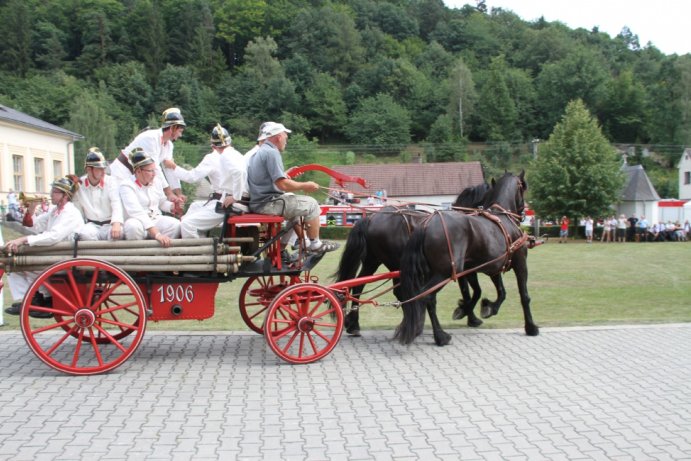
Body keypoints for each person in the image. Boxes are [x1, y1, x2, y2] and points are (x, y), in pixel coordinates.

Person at [246, 122, 339, 254]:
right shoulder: (272, 152)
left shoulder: (261, 152)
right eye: (285, 137)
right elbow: (282, 184)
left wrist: (286, 174)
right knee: (312, 204)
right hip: (268, 204)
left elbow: (270, 180)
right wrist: (305, 185)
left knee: (295, 211)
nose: (286, 141)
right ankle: (315, 245)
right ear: (278, 137)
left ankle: (294, 245)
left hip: (260, 202)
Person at [3, 175, 84, 317]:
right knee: (13, 264)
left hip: (64, 257)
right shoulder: (55, 211)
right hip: (55, 254)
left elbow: (53, 236)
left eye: (55, 191)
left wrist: (23, 240)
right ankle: (29, 299)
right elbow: (34, 226)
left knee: (24, 264)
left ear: (65, 196)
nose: (51, 194)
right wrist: (31, 209)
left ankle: (44, 298)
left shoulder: (70, 213)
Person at [173, 124, 248, 239]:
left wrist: (235, 197)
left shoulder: (224, 156)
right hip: (234, 200)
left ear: (213, 146)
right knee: (193, 208)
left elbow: (239, 172)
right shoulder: (236, 154)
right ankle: (203, 246)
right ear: (229, 142)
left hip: (232, 203)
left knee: (187, 224)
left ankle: (198, 255)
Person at [110, 107, 186, 213]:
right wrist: (168, 193)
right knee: (120, 205)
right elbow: (155, 168)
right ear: (172, 128)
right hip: (122, 171)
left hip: (140, 175)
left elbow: (169, 170)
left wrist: (178, 194)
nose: (180, 135)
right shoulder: (151, 137)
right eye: (180, 131)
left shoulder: (169, 145)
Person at [119, 148, 180, 247]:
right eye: (150, 171)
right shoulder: (126, 186)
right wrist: (157, 234)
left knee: (175, 225)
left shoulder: (156, 181)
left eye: (154, 170)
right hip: (137, 222)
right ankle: (137, 258)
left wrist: (173, 206)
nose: (154, 174)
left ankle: (160, 257)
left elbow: (161, 203)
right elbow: (136, 212)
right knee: (132, 226)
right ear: (138, 171)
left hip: (155, 219)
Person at [73, 147, 124, 241]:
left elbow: (116, 203)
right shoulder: (79, 185)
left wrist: (116, 223)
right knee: (84, 234)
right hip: (92, 225)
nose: (103, 172)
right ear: (89, 169)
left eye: (103, 168)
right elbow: (78, 211)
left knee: (118, 233)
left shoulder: (111, 181)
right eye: (99, 168)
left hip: (110, 224)